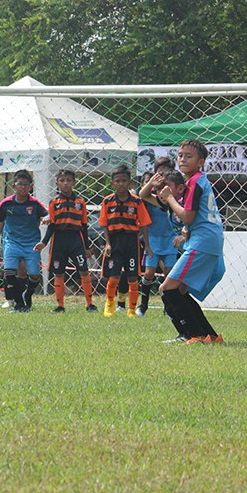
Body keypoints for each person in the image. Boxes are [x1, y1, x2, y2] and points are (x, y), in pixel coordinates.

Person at [155, 139, 225, 344]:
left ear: (201, 162)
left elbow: (187, 217)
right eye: (180, 155)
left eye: (189, 156)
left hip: (202, 241)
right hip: (209, 241)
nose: (183, 159)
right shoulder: (195, 181)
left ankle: (192, 335)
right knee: (179, 290)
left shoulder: (195, 181)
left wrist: (170, 199)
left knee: (167, 288)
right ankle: (210, 336)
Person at [0, 169, 46, 313]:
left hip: (31, 244)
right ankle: (18, 303)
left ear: (31, 186)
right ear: (14, 186)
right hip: (12, 242)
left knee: (34, 274)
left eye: (26, 184)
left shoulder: (35, 204)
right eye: (20, 184)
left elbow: (48, 215)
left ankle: (27, 294)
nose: (23, 187)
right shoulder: (6, 204)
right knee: (9, 272)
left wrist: (48, 219)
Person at [33, 168, 96, 313]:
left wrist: (87, 247)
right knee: (59, 273)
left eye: (68, 180)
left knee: (84, 270)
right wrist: (44, 242)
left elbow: (84, 226)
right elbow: (52, 225)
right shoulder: (54, 202)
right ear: (57, 183)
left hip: (76, 240)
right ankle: (60, 305)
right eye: (62, 180)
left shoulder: (80, 202)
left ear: (74, 182)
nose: (65, 183)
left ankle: (90, 304)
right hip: (59, 240)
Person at [98, 164, 152, 318]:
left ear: (130, 182)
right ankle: (110, 304)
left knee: (133, 277)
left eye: (124, 181)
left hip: (131, 242)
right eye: (117, 181)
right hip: (114, 241)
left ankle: (132, 309)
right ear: (112, 183)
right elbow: (104, 224)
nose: (121, 184)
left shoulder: (137, 201)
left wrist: (147, 245)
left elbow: (144, 223)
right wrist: (108, 243)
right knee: (114, 276)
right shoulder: (107, 201)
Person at [137, 159, 181, 316]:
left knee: (169, 275)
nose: (162, 175)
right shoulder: (155, 198)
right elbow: (142, 195)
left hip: (170, 241)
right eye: (159, 172)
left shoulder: (174, 199)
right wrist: (151, 183)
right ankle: (143, 305)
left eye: (165, 172)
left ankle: (168, 308)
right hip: (154, 241)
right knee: (149, 273)